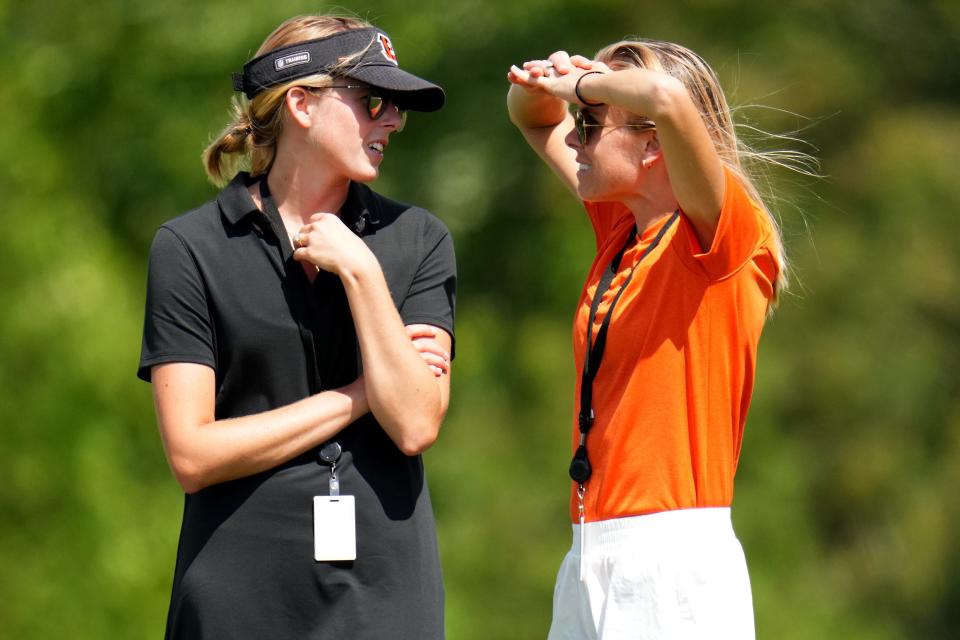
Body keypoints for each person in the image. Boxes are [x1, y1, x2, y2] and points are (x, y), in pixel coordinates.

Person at [138, 15, 456, 639]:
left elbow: (416, 422)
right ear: (302, 104)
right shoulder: (189, 247)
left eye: (396, 108)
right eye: (373, 101)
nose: (390, 120)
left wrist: (362, 272)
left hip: (387, 597)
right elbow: (192, 454)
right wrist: (366, 392)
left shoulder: (419, 241)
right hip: (238, 595)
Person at [508, 39, 797, 639]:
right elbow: (530, 115)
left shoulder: (721, 235)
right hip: (589, 551)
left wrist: (585, 88)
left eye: (591, 126)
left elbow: (667, 97)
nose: (578, 138)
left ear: (654, 145)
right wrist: (547, 81)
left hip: (670, 563)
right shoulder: (625, 226)